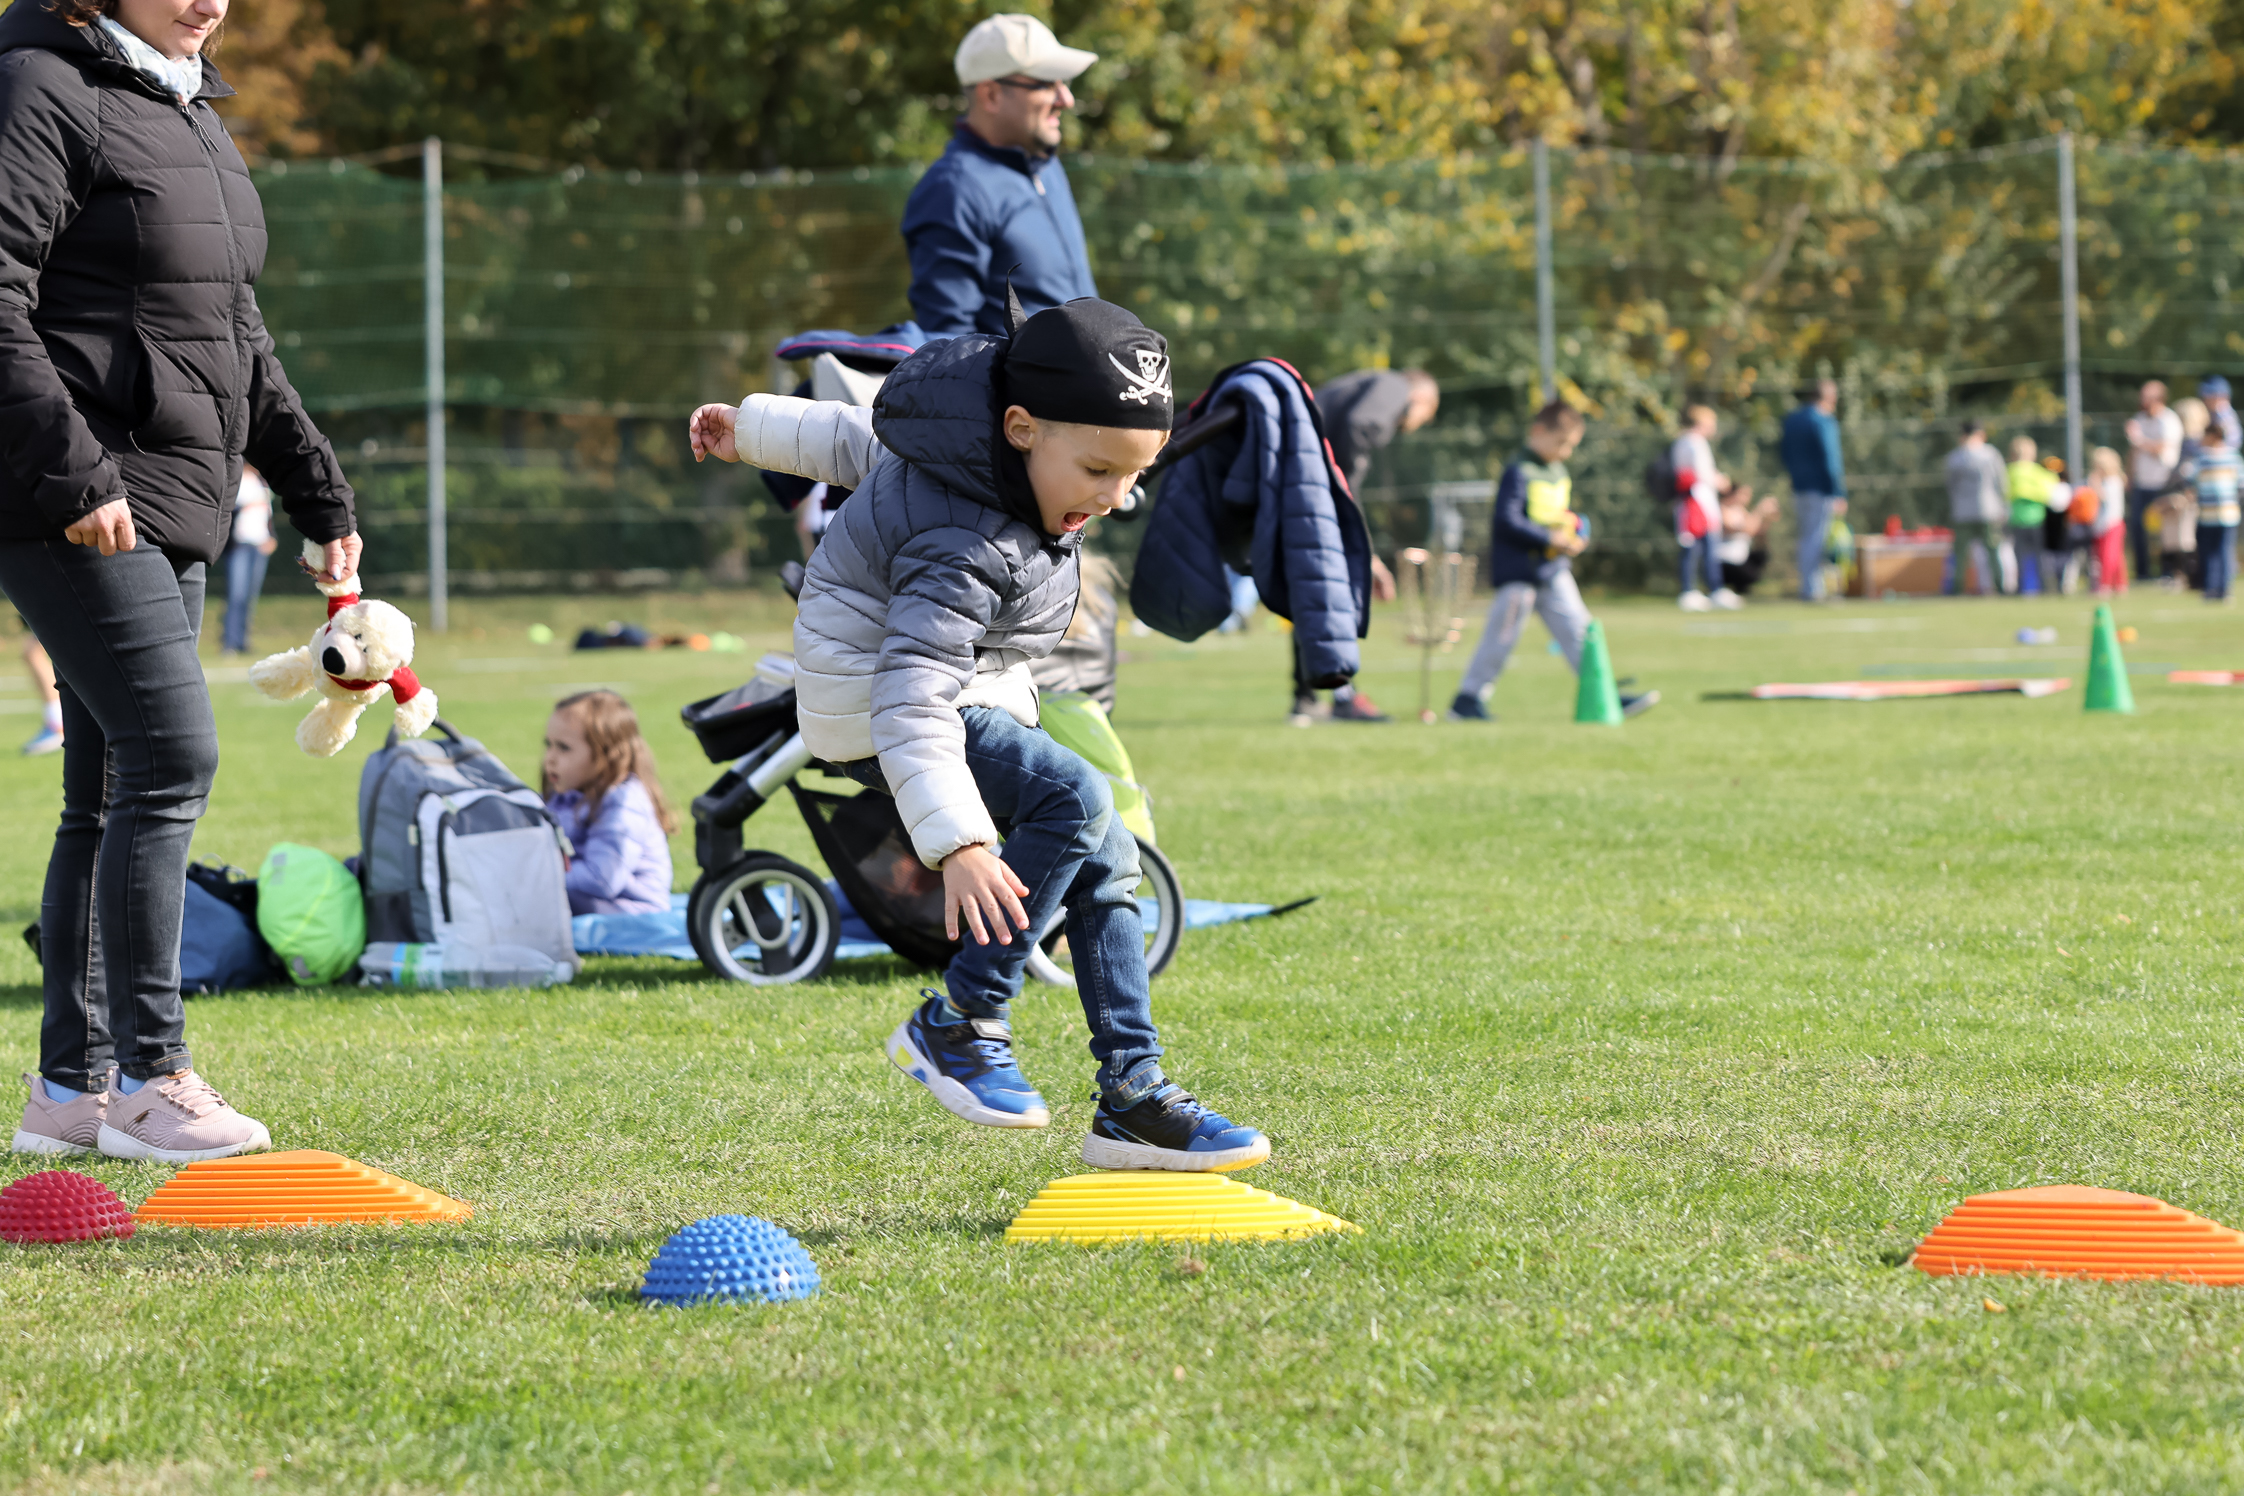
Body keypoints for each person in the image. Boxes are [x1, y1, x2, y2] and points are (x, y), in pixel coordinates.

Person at [687, 297, 1269, 1173]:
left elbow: (855, 437)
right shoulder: (963, 544)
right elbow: (911, 697)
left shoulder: (959, 448)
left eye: (1133, 476)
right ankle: (960, 1021)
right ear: (1021, 428)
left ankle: (1133, 1094)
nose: (1114, 498)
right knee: (1075, 795)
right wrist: (959, 843)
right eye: (1098, 470)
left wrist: (750, 429)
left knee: (1107, 852)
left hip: (957, 688)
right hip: (880, 706)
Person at [5, 0, 360, 1164]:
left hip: (174, 504)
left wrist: (317, 493)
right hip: (74, 498)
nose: (208, 0)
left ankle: (71, 1090)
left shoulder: (190, 108)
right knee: (171, 755)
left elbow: (235, 336)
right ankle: (152, 1077)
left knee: (107, 790)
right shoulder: (42, 86)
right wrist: (73, 471)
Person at [1447, 402, 1655, 722]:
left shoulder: (1558, 472)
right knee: (1501, 638)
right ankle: (1467, 701)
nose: (1566, 452)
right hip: (1519, 573)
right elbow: (1506, 520)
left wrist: (1578, 533)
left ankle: (1606, 695)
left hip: (1553, 571)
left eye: (1571, 445)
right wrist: (1548, 538)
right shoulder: (1519, 471)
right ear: (1538, 432)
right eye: (1561, 443)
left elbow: (1563, 515)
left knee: (1581, 631)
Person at [900, 15, 1098, 337]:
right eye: (1046, 83)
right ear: (991, 95)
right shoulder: (953, 190)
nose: (1066, 99)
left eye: (1064, 83)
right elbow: (949, 344)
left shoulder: (1045, 166)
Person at [1286, 367, 1437, 725]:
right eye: (1425, 415)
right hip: (1307, 482)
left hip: (1292, 474)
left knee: (1309, 589)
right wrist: (1345, 484)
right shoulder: (1395, 386)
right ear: (1421, 400)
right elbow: (1361, 423)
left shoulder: (1360, 384)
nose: (1416, 424)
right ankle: (1341, 697)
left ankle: (1307, 699)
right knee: (1333, 587)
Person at [542, 690, 676, 916]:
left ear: (605, 753)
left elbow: (603, 878)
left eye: (563, 747)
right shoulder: (567, 794)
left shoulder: (624, 802)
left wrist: (540, 876)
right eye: (549, 745)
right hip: (592, 904)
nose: (550, 758)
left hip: (633, 912)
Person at [1779, 380, 1848, 601]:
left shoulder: (1793, 420)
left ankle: (1809, 585)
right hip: (1820, 488)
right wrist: (1838, 492)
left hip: (1799, 487)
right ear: (1829, 397)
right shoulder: (1823, 420)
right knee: (1816, 538)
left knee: (1806, 536)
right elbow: (1831, 459)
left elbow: (1784, 453)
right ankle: (1812, 588)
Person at [1670, 405, 1739, 611]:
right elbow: (1701, 473)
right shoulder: (1693, 442)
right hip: (1696, 501)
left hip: (1697, 500)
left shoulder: (1685, 441)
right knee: (1695, 546)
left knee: (1702, 546)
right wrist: (1719, 480)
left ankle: (1708, 588)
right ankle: (1693, 589)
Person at [1944, 421, 2012, 595]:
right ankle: (2000, 587)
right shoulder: (1991, 454)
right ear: (1980, 434)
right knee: (1993, 551)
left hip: (1962, 512)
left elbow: (1951, 487)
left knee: (1960, 553)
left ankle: (1956, 589)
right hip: (1989, 510)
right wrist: (2004, 507)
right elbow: (2001, 483)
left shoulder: (1955, 457)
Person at [2125, 380, 2184, 580]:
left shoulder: (2169, 420)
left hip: (2163, 482)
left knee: (2163, 530)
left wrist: (2139, 440)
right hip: (2142, 483)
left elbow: (2160, 449)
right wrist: (2129, 475)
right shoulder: (2139, 419)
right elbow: (2133, 451)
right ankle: (2143, 572)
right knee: (2137, 527)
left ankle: (2167, 571)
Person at [218, 463, 275, 655]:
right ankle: (229, 642)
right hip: (239, 545)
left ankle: (243, 641)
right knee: (236, 594)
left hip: (259, 545)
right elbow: (227, 510)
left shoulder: (261, 481)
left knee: (250, 596)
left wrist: (271, 536)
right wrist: (246, 505)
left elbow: (267, 512)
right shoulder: (234, 479)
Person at [2192, 424, 2241, 603]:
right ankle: (2210, 588)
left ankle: (2224, 589)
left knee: (2224, 551)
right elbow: (2192, 479)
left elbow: (2240, 481)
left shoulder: (2231, 456)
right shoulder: (2202, 457)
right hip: (2207, 514)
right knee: (2208, 552)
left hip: (2227, 514)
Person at [2005, 436, 2059, 595]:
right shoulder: (2033, 472)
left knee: (2030, 556)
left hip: (2031, 521)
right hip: (2026, 521)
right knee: (2032, 557)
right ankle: (2034, 587)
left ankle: (2034, 587)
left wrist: (2024, 493)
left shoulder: (2018, 471)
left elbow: (2048, 492)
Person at [1717, 487, 1779, 595]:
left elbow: (1756, 532)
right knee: (1748, 572)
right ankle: (1720, 589)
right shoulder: (1723, 509)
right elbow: (1748, 528)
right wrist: (1759, 511)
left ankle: (1740, 589)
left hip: (1740, 558)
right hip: (1724, 561)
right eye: (1743, 494)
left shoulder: (1741, 511)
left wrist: (1767, 519)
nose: (1746, 498)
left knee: (1760, 555)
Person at [2087, 446, 2129, 595]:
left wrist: (2095, 485)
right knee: (2111, 556)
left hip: (2112, 524)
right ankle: (2119, 584)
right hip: (2101, 525)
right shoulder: (2106, 481)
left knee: (2109, 556)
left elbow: (2103, 497)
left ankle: (2105, 585)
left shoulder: (2113, 481)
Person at [2203, 376, 2240, 452]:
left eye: (2208, 396)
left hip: (2225, 454)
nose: (2205, 399)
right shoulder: (2207, 411)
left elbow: (2234, 441)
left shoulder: (2223, 412)